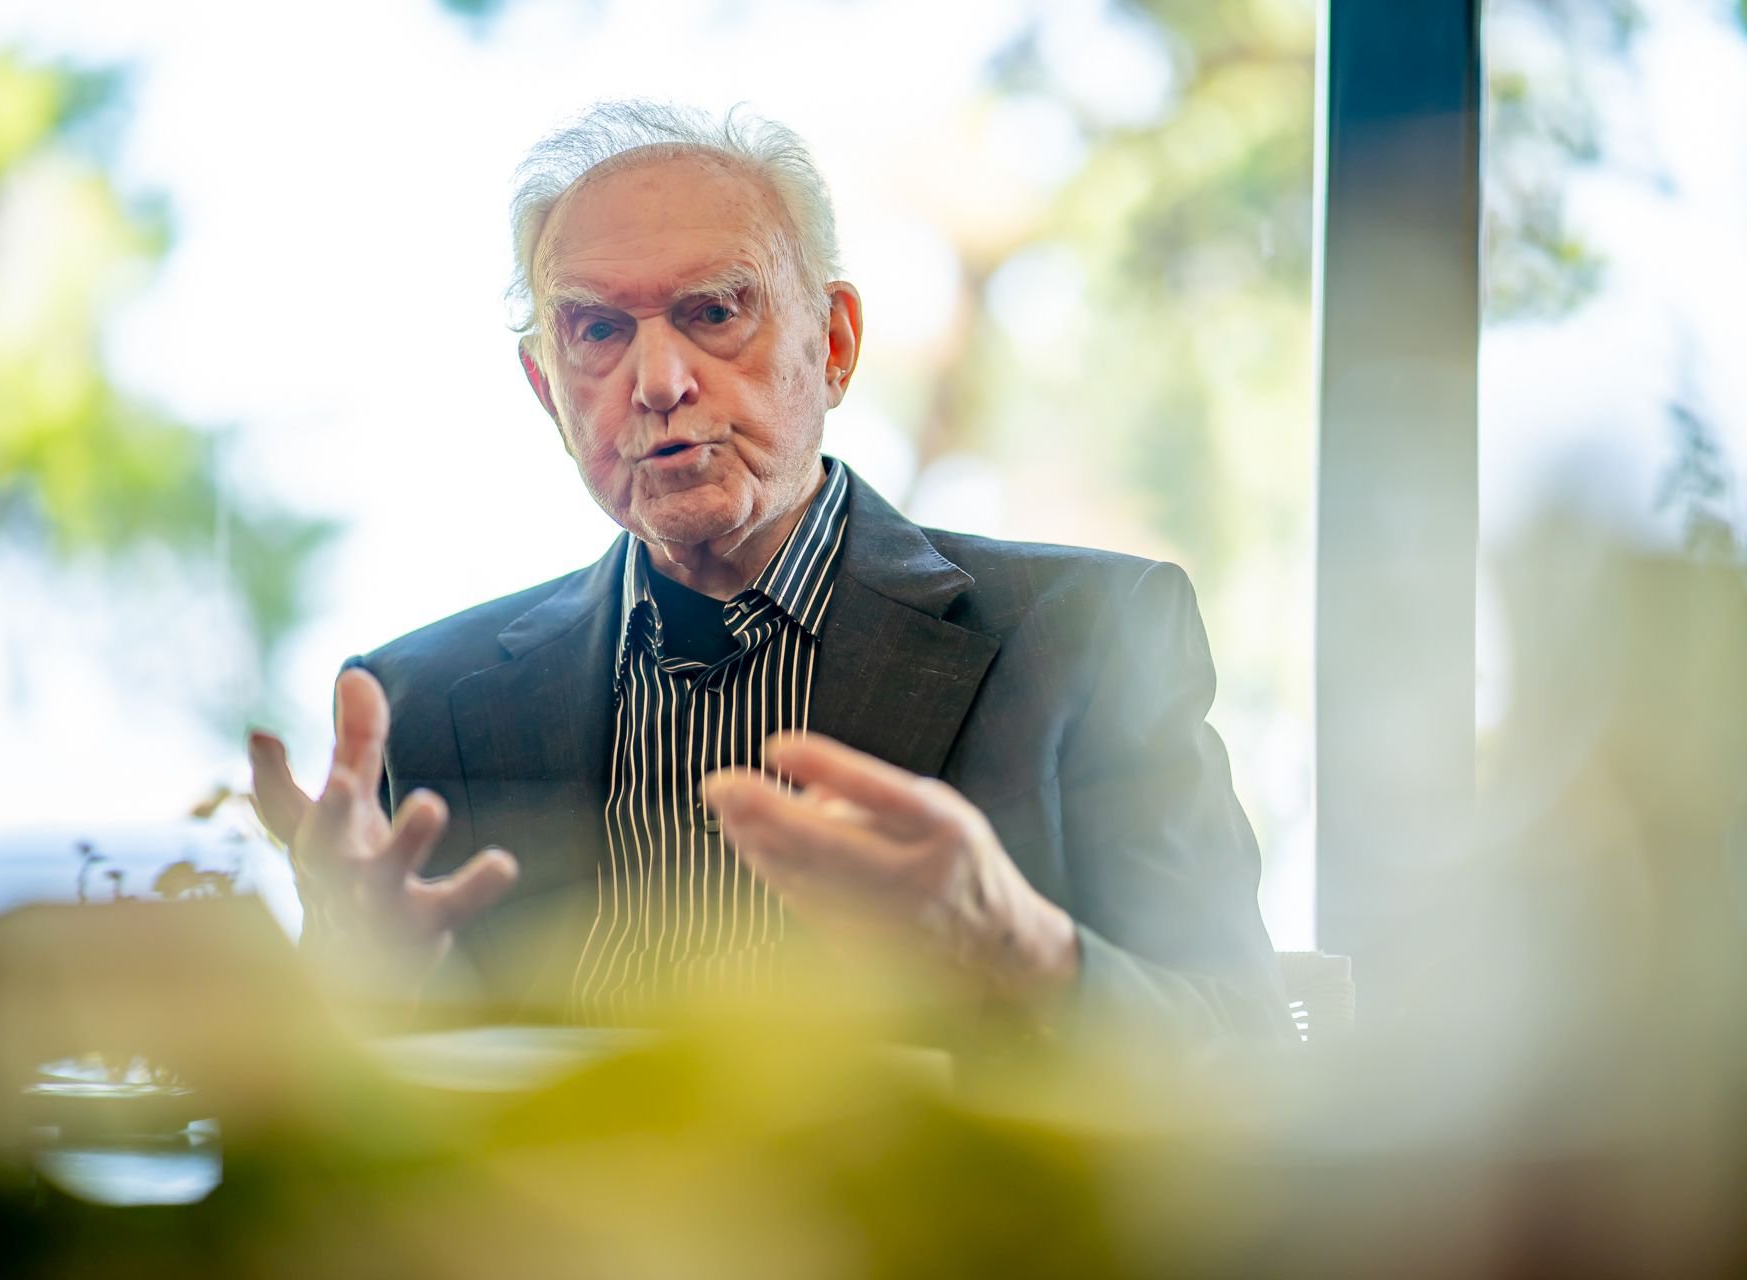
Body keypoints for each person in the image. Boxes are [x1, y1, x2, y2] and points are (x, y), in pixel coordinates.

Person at [248, 102, 1289, 1046]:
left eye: (713, 312)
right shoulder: (419, 704)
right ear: (546, 388)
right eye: (598, 330)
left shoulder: (1088, 636)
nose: (658, 382)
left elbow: (1251, 1064)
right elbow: (347, 1125)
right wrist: (356, 985)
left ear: (834, 344)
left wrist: (1020, 948)